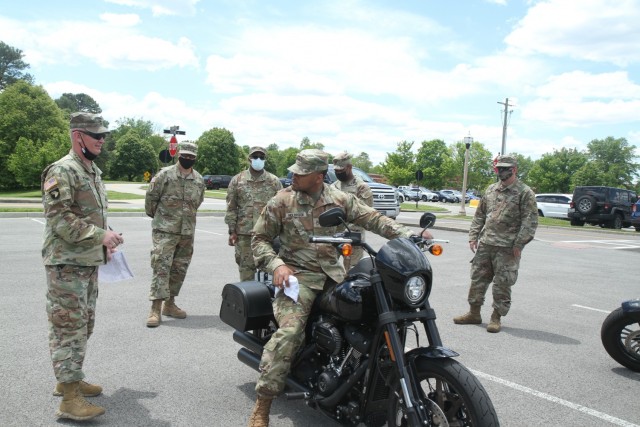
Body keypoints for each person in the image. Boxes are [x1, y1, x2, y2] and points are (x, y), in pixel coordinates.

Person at [247, 149, 434, 426]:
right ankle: (262, 405)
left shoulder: (339, 199)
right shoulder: (282, 200)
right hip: (297, 278)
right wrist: (277, 266)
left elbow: (374, 219)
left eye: (301, 171)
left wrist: (410, 237)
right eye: (295, 170)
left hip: (335, 276)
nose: (294, 175)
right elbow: (259, 239)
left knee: (369, 313)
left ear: (319, 176)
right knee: (290, 333)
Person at [42, 112, 124, 421]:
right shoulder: (62, 171)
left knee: (84, 325)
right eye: (96, 135)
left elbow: (91, 215)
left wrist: (105, 240)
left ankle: (70, 379)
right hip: (66, 265)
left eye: (104, 135)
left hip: (86, 262)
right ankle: (69, 398)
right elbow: (61, 219)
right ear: (78, 137)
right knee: (68, 328)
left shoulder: (91, 170)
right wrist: (101, 236)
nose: (102, 140)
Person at [453, 154, 538, 333]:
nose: (501, 171)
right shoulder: (491, 190)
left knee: (502, 283)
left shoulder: (524, 192)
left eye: (505, 168)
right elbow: (480, 215)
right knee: (477, 279)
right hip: (486, 244)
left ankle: (496, 317)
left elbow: (529, 221)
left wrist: (519, 244)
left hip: (507, 248)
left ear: (514, 169)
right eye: (499, 168)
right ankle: (474, 313)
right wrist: (473, 236)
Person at [145, 141, 205, 328]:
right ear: (179, 155)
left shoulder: (199, 180)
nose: (187, 159)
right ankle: (155, 308)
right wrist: (163, 220)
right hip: (165, 231)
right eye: (184, 156)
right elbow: (151, 201)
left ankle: (170, 305)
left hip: (187, 232)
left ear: (195, 158)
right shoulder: (165, 175)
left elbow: (198, 202)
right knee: (161, 267)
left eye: (191, 157)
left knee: (179, 269)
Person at [225, 146, 282, 281]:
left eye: (261, 157)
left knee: (270, 272)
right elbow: (231, 207)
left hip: (268, 235)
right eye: (255, 156)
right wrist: (231, 231)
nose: (258, 159)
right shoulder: (237, 180)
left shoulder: (274, 181)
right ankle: (248, 300)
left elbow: (281, 208)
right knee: (246, 271)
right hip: (245, 235)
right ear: (249, 158)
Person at [330, 151, 373, 269]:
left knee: (352, 273)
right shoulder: (333, 187)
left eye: (341, 170)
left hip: (353, 239)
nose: (338, 173)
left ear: (349, 167)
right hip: (334, 238)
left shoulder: (361, 188)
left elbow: (365, 216)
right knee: (329, 272)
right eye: (336, 171)